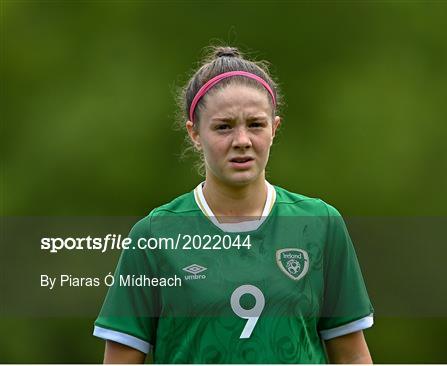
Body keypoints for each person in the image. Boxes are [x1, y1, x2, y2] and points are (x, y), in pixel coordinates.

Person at [93, 45, 374, 364]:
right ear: (195, 133)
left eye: (255, 124)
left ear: (274, 129)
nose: (242, 140)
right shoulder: (154, 234)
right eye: (224, 127)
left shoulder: (320, 224)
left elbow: (351, 356)